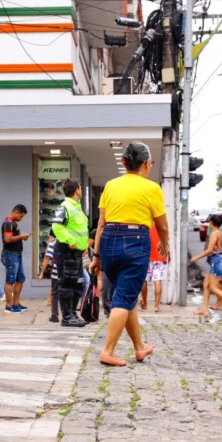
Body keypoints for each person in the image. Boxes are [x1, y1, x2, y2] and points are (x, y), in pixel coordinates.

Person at [90, 142, 169, 366]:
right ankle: (108, 351)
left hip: (108, 243)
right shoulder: (151, 188)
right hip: (135, 242)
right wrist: (165, 245)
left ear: (124, 163)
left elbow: (102, 224)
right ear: (146, 164)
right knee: (123, 299)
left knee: (127, 296)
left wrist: (96, 256)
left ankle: (140, 347)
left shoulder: (110, 186)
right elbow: (162, 226)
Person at [52, 178, 90, 328]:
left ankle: (73, 313)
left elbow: (80, 230)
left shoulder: (77, 207)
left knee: (78, 284)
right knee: (67, 282)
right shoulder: (65, 206)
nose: (81, 190)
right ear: (77, 191)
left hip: (77, 253)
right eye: (80, 187)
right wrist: (70, 241)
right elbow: (56, 226)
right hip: (67, 251)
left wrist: (84, 245)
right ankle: (67, 317)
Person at [189, 214, 222, 317]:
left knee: (213, 287)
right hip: (217, 261)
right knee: (206, 285)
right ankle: (205, 309)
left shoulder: (214, 234)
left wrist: (196, 257)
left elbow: (210, 249)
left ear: (211, 223)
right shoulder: (220, 233)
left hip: (217, 261)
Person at [1, 204, 31, 314]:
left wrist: (22, 237)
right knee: (10, 280)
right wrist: (21, 236)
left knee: (20, 279)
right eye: (21, 216)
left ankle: (16, 303)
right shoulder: (8, 223)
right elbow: (8, 239)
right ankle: (8, 306)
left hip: (16, 255)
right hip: (10, 255)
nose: (21, 218)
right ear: (16, 212)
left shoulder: (13, 223)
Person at [141, 224, 168, 313]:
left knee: (144, 280)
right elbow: (165, 241)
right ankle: (156, 306)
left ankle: (145, 303)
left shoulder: (145, 222)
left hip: (146, 255)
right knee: (157, 281)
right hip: (159, 256)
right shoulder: (162, 223)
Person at [38, 237, 60, 322]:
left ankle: (54, 315)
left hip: (56, 271)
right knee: (68, 293)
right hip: (69, 270)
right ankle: (69, 314)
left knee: (55, 294)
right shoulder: (71, 239)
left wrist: (42, 272)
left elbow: (47, 257)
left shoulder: (54, 242)